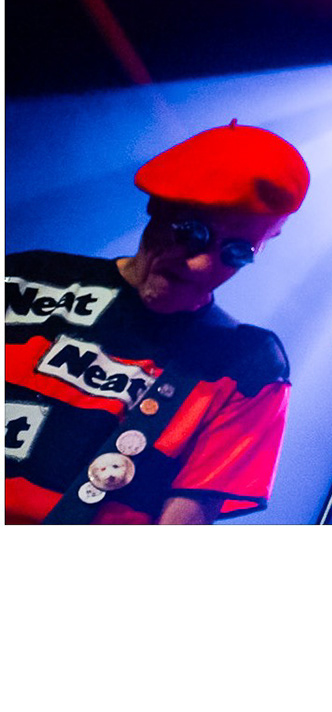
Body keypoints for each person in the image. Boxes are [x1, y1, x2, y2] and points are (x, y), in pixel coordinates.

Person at [5, 122, 305, 524]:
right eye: (194, 234)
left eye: (237, 252)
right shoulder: (23, 279)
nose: (203, 265)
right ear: (159, 207)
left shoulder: (247, 366)